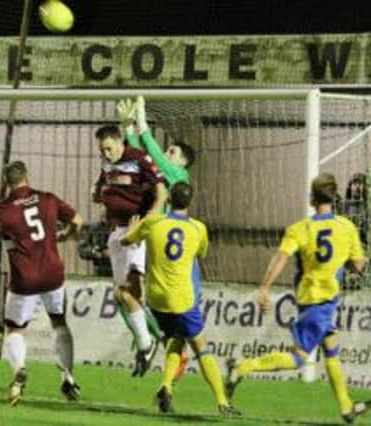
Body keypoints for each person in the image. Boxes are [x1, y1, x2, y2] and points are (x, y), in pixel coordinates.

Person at [225, 173, 369, 424]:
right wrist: (348, 261)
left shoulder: (300, 228)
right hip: (322, 302)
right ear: (335, 198)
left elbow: (281, 257)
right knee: (299, 358)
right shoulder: (346, 227)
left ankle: (346, 407)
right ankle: (243, 366)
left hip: (309, 297)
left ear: (312, 199)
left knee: (331, 349)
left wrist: (265, 287)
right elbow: (359, 265)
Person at [121, 182, 240, 417]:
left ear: (169, 200)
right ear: (190, 202)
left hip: (156, 299)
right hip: (183, 299)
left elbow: (126, 241)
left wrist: (130, 229)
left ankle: (166, 387)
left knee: (176, 339)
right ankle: (223, 403)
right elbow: (200, 253)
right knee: (201, 348)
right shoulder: (198, 229)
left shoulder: (153, 222)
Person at [0, 161, 83, 406]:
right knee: (59, 323)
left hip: (25, 279)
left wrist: (1, 244)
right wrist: (65, 236)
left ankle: (19, 370)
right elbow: (77, 220)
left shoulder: (3, 210)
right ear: (27, 177)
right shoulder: (47, 198)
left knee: (14, 329)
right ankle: (68, 377)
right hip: (53, 275)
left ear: (6, 182)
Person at [92, 124, 167, 377]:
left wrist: (151, 218)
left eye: (109, 148)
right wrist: (98, 191)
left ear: (119, 142)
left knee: (128, 291)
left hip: (135, 231)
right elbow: (104, 184)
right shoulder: (106, 162)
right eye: (102, 149)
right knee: (120, 295)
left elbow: (161, 189)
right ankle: (152, 341)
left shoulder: (137, 157)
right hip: (116, 233)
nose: (106, 153)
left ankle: (151, 343)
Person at [117, 96, 196, 188]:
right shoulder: (161, 173)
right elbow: (141, 157)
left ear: (183, 161)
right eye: (167, 150)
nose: (165, 153)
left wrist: (141, 119)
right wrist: (128, 127)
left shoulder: (180, 175)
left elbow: (158, 157)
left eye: (172, 152)